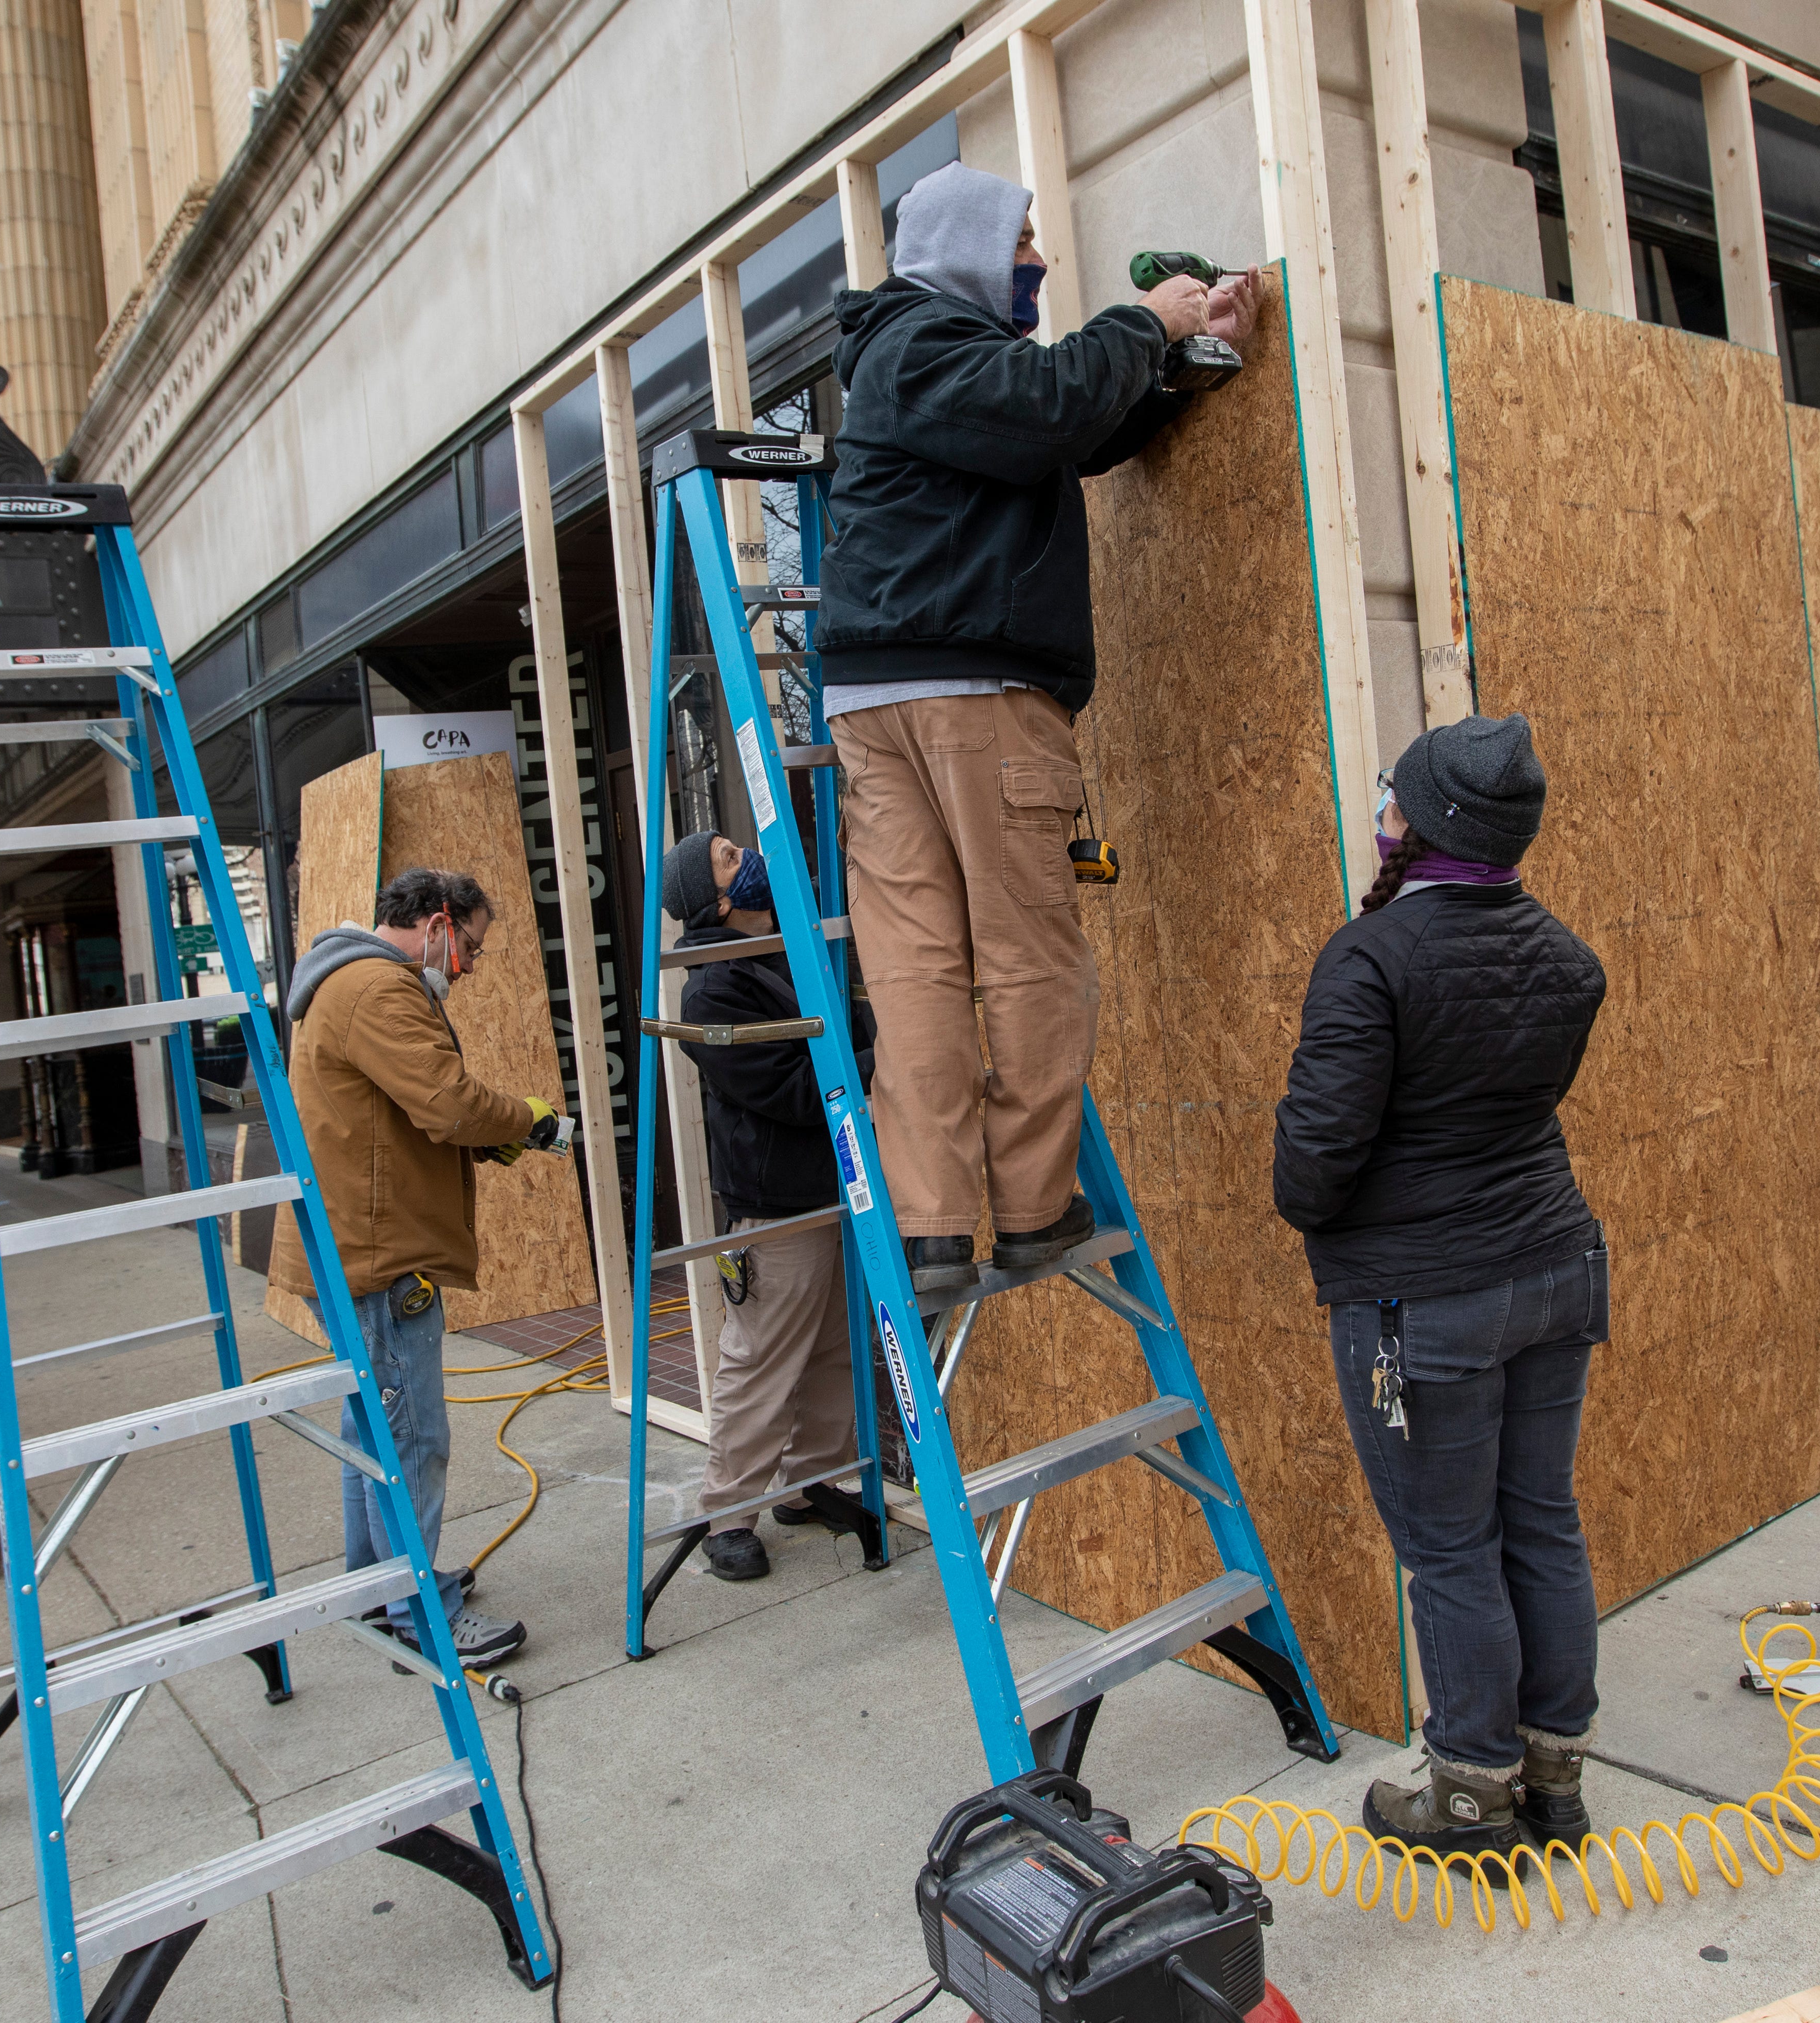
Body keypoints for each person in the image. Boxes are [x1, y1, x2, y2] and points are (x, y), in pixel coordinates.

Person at [818, 161, 1260, 1294]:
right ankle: (1028, 1211)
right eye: (1021, 241)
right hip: (974, 696)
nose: (1039, 260)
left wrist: (1182, 362)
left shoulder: (919, 362)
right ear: (966, 248)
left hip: (880, 705)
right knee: (1027, 958)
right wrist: (1142, 320)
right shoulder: (929, 345)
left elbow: (1071, 429)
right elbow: (1054, 407)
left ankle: (927, 1225)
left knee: (915, 968)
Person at [1270, 713, 1610, 1860]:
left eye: (1389, 800)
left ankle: (1470, 1792)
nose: (1379, 814)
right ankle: (1551, 1775)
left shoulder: (1371, 959)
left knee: (1452, 1551)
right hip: (1555, 1273)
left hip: (1424, 1306)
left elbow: (1312, 1175)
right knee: (1540, 1523)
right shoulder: (1567, 958)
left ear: (1419, 826)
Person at [272, 866, 567, 1668]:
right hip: (376, 1253)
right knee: (410, 1437)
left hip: (356, 1244)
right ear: (436, 922)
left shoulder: (350, 982)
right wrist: (526, 1119)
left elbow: (405, 1113)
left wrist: (487, 1134)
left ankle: (378, 1588)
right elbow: (445, 1102)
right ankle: (418, 1614)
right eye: (466, 946)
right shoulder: (380, 989)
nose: (466, 967)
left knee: (372, 1426)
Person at [657, 829, 874, 1580]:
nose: (744, 851)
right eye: (726, 854)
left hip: (834, 1183)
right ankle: (727, 1513)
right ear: (714, 900)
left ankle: (810, 1484)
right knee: (761, 1362)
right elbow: (788, 1088)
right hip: (774, 1204)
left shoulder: (780, 947)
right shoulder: (711, 987)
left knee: (832, 1351)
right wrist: (882, 1063)